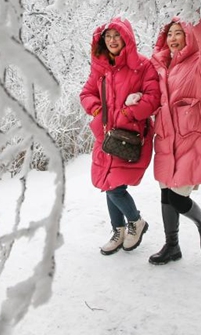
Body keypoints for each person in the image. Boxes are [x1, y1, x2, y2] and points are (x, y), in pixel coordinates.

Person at [80, 17, 161, 255]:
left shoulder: (142, 66)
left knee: (115, 187)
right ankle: (118, 230)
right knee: (108, 184)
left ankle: (136, 221)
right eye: (108, 37)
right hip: (105, 135)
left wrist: (126, 113)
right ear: (103, 41)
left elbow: (152, 97)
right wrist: (97, 110)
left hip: (129, 135)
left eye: (117, 36)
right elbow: (87, 93)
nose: (113, 41)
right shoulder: (101, 68)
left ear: (127, 38)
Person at [148, 12, 201, 265]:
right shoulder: (158, 65)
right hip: (166, 140)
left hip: (191, 140)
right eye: (169, 33)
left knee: (179, 198)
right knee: (166, 195)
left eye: (179, 33)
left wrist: (195, 15)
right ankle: (172, 246)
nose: (173, 38)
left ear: (189, 36)